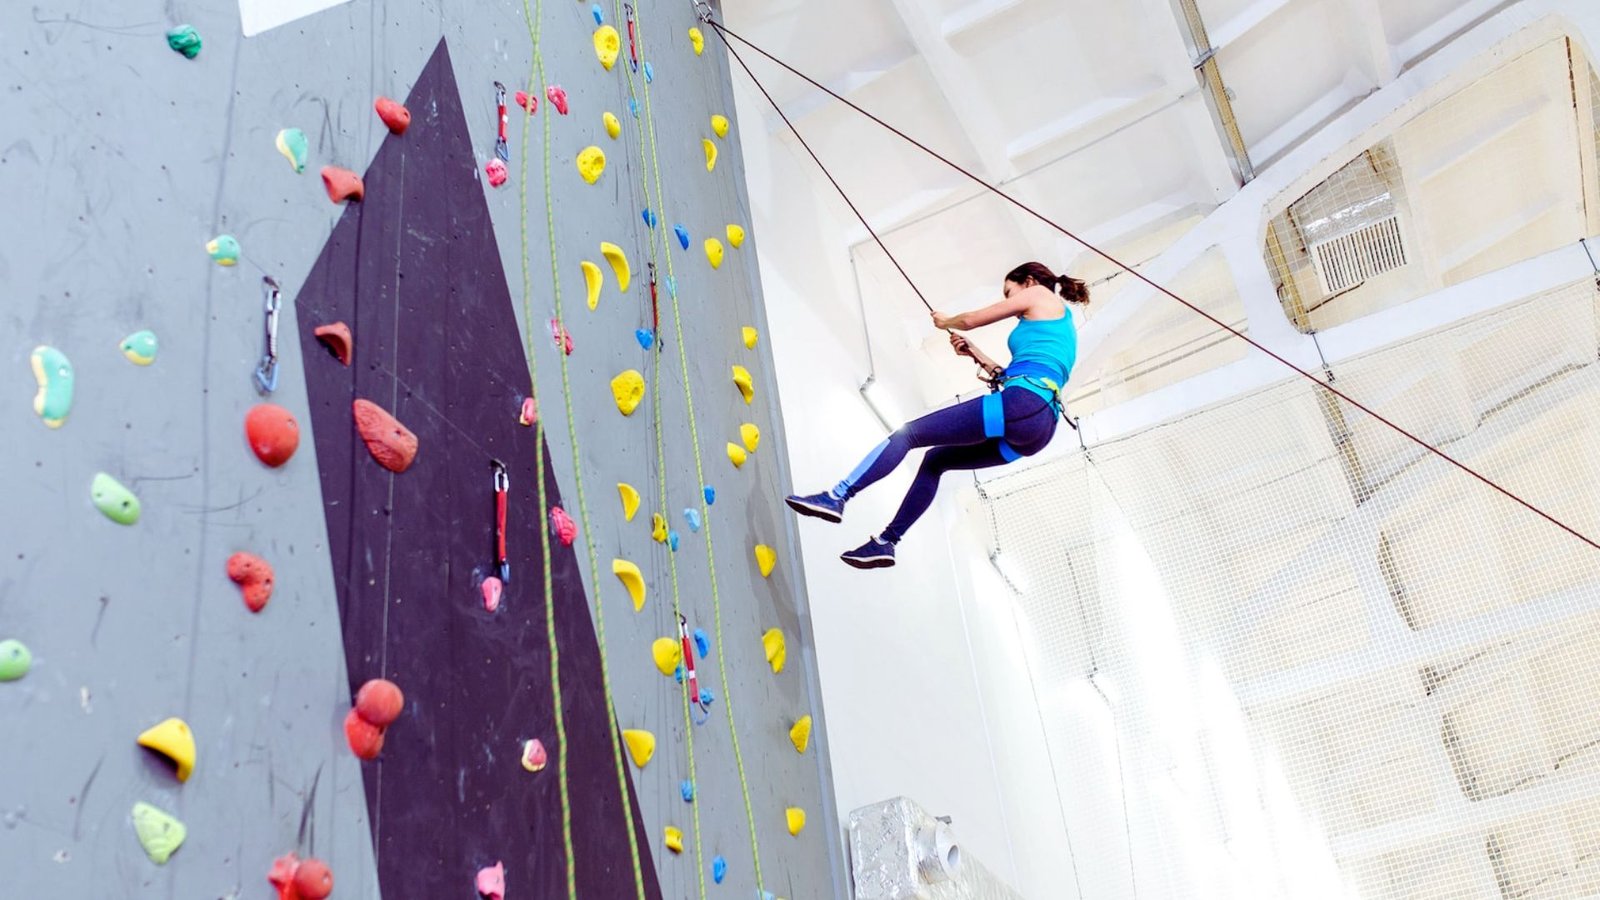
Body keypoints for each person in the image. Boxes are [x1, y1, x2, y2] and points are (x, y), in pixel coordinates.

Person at [785, 262, 1088, 568]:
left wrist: (946, 322)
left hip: (1022, 404)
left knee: (909, 434)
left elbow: (970, 319)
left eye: (1009, 292)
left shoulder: (1038, 294)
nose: (1009, 299)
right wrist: (976, 355)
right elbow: (1021, 373)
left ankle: (837, 497)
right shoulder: (1063, 327)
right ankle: (886, 543)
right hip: (1039, 426)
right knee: (936, 461)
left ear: (1030, 281)